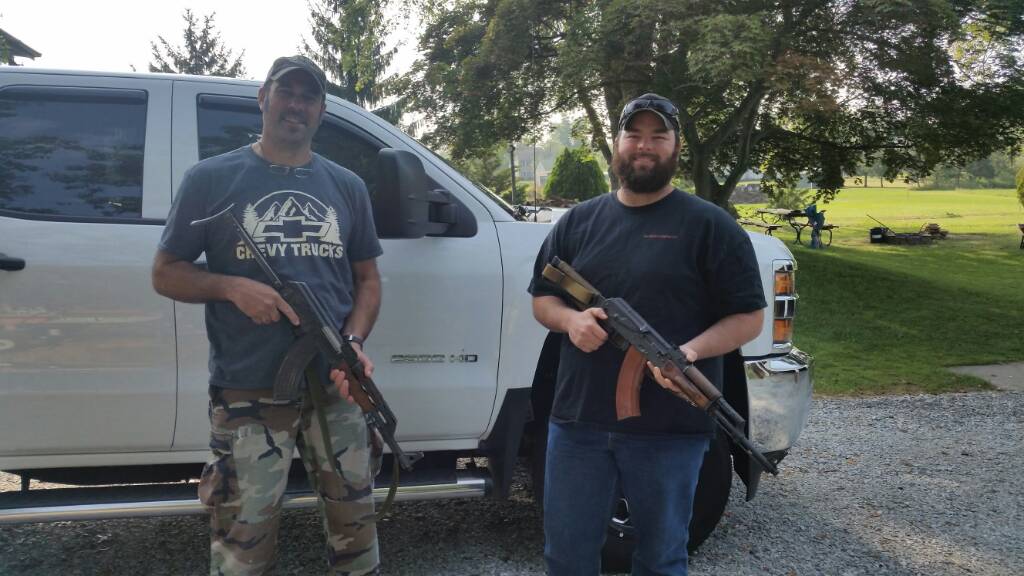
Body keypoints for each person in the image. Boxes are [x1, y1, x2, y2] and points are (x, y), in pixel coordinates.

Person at [152, 55, 383, 576]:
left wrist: (353, 341)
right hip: (249, 389)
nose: (296, 105)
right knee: (244, 544)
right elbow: (165, 273)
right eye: (286, 92)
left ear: (321, 111)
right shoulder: (211, 178)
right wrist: (231, 287)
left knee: (356, 534)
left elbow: (368, 280)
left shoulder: (347, 186)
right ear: (263, 98)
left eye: (309, 96)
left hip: (335, 382)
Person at [528, 93, 767, 576]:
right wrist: (572, 321)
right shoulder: (579, 222)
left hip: (670, 432)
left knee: (661, 559)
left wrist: (689, 353)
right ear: (617, 143)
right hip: (577, 424)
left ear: (676, 147)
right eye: (634, 134)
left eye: (659, 135)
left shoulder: (711, 226)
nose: (645, 145)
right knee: (566, 557)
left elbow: (749, 318)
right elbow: (543, 299)